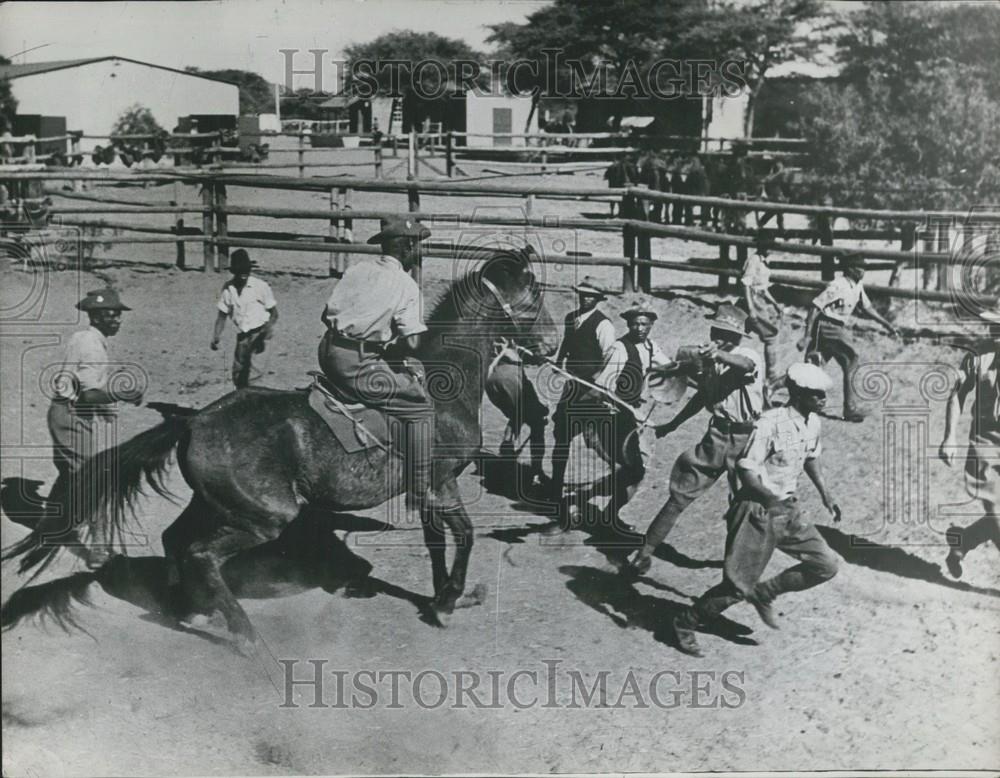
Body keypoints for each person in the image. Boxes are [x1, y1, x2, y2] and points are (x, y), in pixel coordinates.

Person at [672, 362, 842, 657]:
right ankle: (686, 622)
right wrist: (769, 498)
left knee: (825, 564)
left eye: (823, 395)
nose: (823, 400)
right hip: (757, 508)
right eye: (817, 395)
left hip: (787, 507)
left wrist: (825, 494)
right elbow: (746, 469)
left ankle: (765, 593)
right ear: (798, 394)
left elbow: (809, 455)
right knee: (738, 584)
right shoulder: (769, 423)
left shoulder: (811, 422)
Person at [622, 303, 764, 576]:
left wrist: (718, 354)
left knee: (743, 505)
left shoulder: (746, 353)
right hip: (717, 435)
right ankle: (643, 555)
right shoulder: (711, 360)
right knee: (679, 494)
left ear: (735, 337)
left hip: (747, 440)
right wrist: (672, 425)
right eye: (714, 329)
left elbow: (745, 365)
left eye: (722, 332)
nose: (715, 335)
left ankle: (736, 568)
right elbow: (703, 397)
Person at [318, 216, 436, 517]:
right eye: (418, 246)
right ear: (408, 247)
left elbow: (325, 314)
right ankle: (420, 492)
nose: (419, 253)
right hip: (357, 364)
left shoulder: (357, 269)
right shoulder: (406, 286)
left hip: (328, 350)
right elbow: (412, 346)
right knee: (420, 407)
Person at [48, 288, 143, 569]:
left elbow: (79, 382)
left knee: (72, 473)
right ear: (97, 317)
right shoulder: (92, 345)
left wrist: (102, 407)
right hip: (72, 414)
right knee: (92, 478)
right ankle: (99, 548)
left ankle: (53, 525)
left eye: (118, 315)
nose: (117, 321)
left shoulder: (83, 337)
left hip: (67, 413)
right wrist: (123, 394)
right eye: (111, 315)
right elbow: (88, 394)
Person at [592, 301, 672, 532]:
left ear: (651, 325)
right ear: (628, 324)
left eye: (645, 324)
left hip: (632, 414)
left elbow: (668, 367)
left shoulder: (649, 347)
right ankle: (608, 519)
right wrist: (622, 407)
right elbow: (603, 387)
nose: (640, 328)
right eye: (635, 324)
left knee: (637, 467)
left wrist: (691, 364)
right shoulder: (619, 349)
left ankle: (608, 515)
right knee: (634, 469)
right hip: (614, 414)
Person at [546, 277, 618, 530]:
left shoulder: (604, 325)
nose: (585, 298)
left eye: (591, 296)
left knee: (594, 437)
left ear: (598, 300)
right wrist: (558, 362)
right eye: (583, 294)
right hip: (571, 386)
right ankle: (555, 487)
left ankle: (617, 477)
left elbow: (610, 357)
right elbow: (567, 344)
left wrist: (597, 382)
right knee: (561, 435)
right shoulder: (570, 318)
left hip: (591, 390)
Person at [799, 252, 898, 422]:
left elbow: (868, 309)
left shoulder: (857, 285)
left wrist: (887, 325)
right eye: (860, 268)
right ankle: (850, 409)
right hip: (828, 326)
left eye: (864, 268)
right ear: (850, 269)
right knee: (852, 359)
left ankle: (776, 388)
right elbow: (815, 307)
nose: (863, 271)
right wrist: (806, 336)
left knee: (814, 366)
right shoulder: (838, 285)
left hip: (834, 327)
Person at [938, 316, 999, 577]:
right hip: (985, 441)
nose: (995, 330)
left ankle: (963, 541)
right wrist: (950, 436)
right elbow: (958, 394)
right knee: (996, 509)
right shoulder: (978, 355)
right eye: (993, 324)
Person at [485, 338, 550, 490]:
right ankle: (536, 472)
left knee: (516, 415)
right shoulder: (516, 326)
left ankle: (506, 466)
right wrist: (538, 358)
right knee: (537, 421)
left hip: (490, 379)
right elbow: (530, 352)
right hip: (510, 374)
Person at [210, 249, 279, 389]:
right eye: (239, 271)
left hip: (261, 334)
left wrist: (267, 328)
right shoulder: (227, 288)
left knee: (254, 375)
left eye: (246, 270)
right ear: (233, 271)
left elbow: (274, 313)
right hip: (243, 336)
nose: (243, 274)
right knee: (238, 373)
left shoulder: (260, 286)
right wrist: (216, 335)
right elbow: (222, 314)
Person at [739, 238, 784, 400]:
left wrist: (775, 304)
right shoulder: (754, 260)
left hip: (760, 300)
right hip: (753, 301)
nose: (770, 250)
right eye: (768, 247)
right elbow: (746, 284)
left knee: (769, 334)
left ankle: (771, 377)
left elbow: (763, 288)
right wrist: (751, 308)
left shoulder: (764, 261)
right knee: (771, 335)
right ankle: (772, 378)